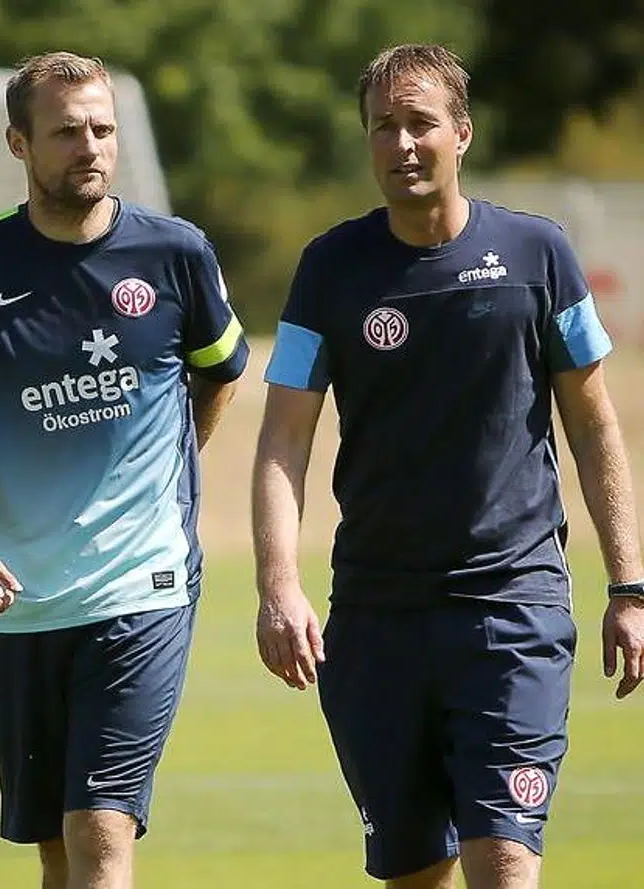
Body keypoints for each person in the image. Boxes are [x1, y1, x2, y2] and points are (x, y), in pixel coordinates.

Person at [252, 43, 644, 889]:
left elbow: (595, 426)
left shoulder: (540, 254)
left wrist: (629, 586)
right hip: (376, 617)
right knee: (415, 874)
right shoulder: (330, 268)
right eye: (382, 127)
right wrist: (279, 586)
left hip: (513, 611)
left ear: (460, 133)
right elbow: (285, 435)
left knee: (503, 860)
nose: (401, 144)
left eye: (420, 123)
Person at [0, 51, 248, 889]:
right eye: (65, 132)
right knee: (58, 846)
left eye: (103, 128)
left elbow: (222, 369)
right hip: (23, 596)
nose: (89, 146)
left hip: (144, 586)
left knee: (98, 830)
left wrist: (168, 467)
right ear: (19, 143)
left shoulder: (176, 252)